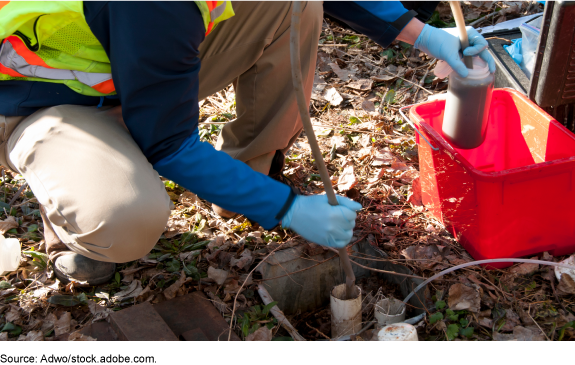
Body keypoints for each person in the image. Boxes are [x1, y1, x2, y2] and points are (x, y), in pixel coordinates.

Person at [0, 0, 494, 285]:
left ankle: (246, 176)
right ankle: (78, 221)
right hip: (39, 98)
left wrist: (423, 33)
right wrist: (287, 210)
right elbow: (167, 142)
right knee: (125, 216)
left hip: (131, 59)